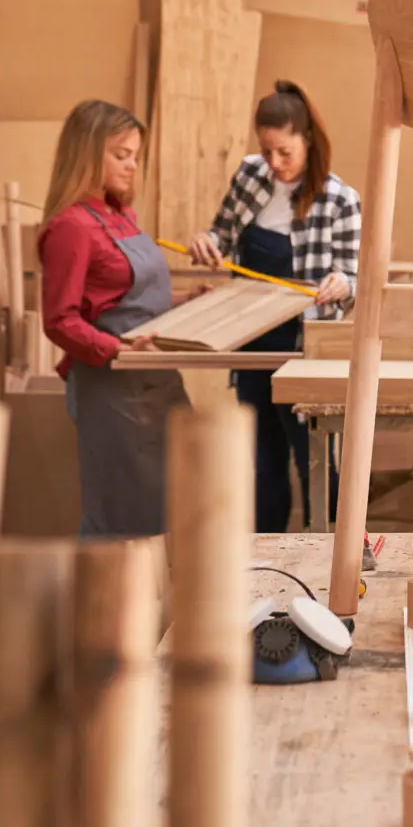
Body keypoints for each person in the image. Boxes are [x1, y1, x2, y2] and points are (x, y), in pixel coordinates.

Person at [188, 80, 360, 533]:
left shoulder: (340, 200)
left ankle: (330, 562)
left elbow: (356, 278)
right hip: (252, 341)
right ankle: (267, 565)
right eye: (266, 152)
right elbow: (221, 234)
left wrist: (342, 283)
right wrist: (207, 242)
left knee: (314, 461)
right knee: (264, 463)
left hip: (304, 346)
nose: (275, 163)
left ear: (307, 140)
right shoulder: (250, 176)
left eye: (285, 152)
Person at [40, 99, 203, 536]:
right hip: (113, 391)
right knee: (121, 520)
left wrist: (192, 301)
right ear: (89, 152)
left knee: (169, 511)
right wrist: (115, 348)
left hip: (157, 383)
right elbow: (59, 320)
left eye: (135, 156)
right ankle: (104, 605)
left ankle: (159, 604)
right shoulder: (71, 228)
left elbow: (133, 303)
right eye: (121, 155)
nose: (132, 166)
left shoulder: (121, 216)